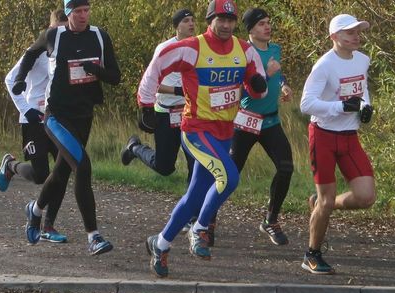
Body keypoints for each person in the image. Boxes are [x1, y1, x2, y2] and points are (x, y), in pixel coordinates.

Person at [139, 0, 267, 278]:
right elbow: (156, 66)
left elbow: (257, 85)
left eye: (231, 20)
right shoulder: (192, 47)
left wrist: (257, 87)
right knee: (229, 179)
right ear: (210, 20)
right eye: (220, 19)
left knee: (195, 195)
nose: (226, 25)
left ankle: (160, 244)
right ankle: (199, 229)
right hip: (196, 129)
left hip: (224, 132)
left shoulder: (244, 49)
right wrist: (146, 105)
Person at [11, 0, 121, 255]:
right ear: (68, 13)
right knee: (82, 166)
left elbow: (115, 77)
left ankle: (35, 210)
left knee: (61, 171)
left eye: (87, 10)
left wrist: (96, 69)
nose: (84, 16)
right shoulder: (54, 35)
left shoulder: (99, 36)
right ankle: (93, 236)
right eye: (78, 11)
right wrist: (19, 80)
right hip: (56, 116)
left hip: (85, 116)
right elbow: (29, 54)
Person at [300, 14, 375, 274]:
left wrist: (366, 106)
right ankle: (312, 254)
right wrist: (340, 106)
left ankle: (321, 202)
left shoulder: (362, 60)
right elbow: (306, 104)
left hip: (349, 136)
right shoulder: (324, 66)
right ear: (334, 37)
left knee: (366, 196)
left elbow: (361, 89)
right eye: (349, 33)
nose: (356, 36)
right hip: (322, 136)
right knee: (326, 201)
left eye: (357, 32)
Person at [0, 9, 69, 243]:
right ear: (49, 29)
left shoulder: (68, 51)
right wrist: (25, 109)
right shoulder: (36, 52)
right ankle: (10, 165)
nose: (58, 33)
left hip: (57, 119)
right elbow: (10, 79)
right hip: (33, 118)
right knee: (41, 175)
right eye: (55, 29)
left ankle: (48, 225)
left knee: (62, 170)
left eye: (63, 28)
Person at [226, 7, 294, 246]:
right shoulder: (242, 52)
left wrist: (283, 85)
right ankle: (206, 221)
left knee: (286, 167)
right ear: (251, 29)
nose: (268, 26)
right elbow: (244, 88)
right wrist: (266, 73)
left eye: (268, 22)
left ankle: (271, 220)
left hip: (271, 121)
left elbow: (279, 74)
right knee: (229, 176)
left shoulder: (275, 49)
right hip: (246, 121)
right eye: (262, 23)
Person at [120, 9, 195, 183]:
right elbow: (151, 83)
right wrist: (178, 91)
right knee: (165, 167)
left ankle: (193, 206)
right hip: (166, 113)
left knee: (195, 163)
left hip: (189, 112)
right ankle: (135, 147)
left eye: (192, 20)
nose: (191, 24)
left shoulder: (198, 47)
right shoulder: (164, 49)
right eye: (186, 21)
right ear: (176, 26)